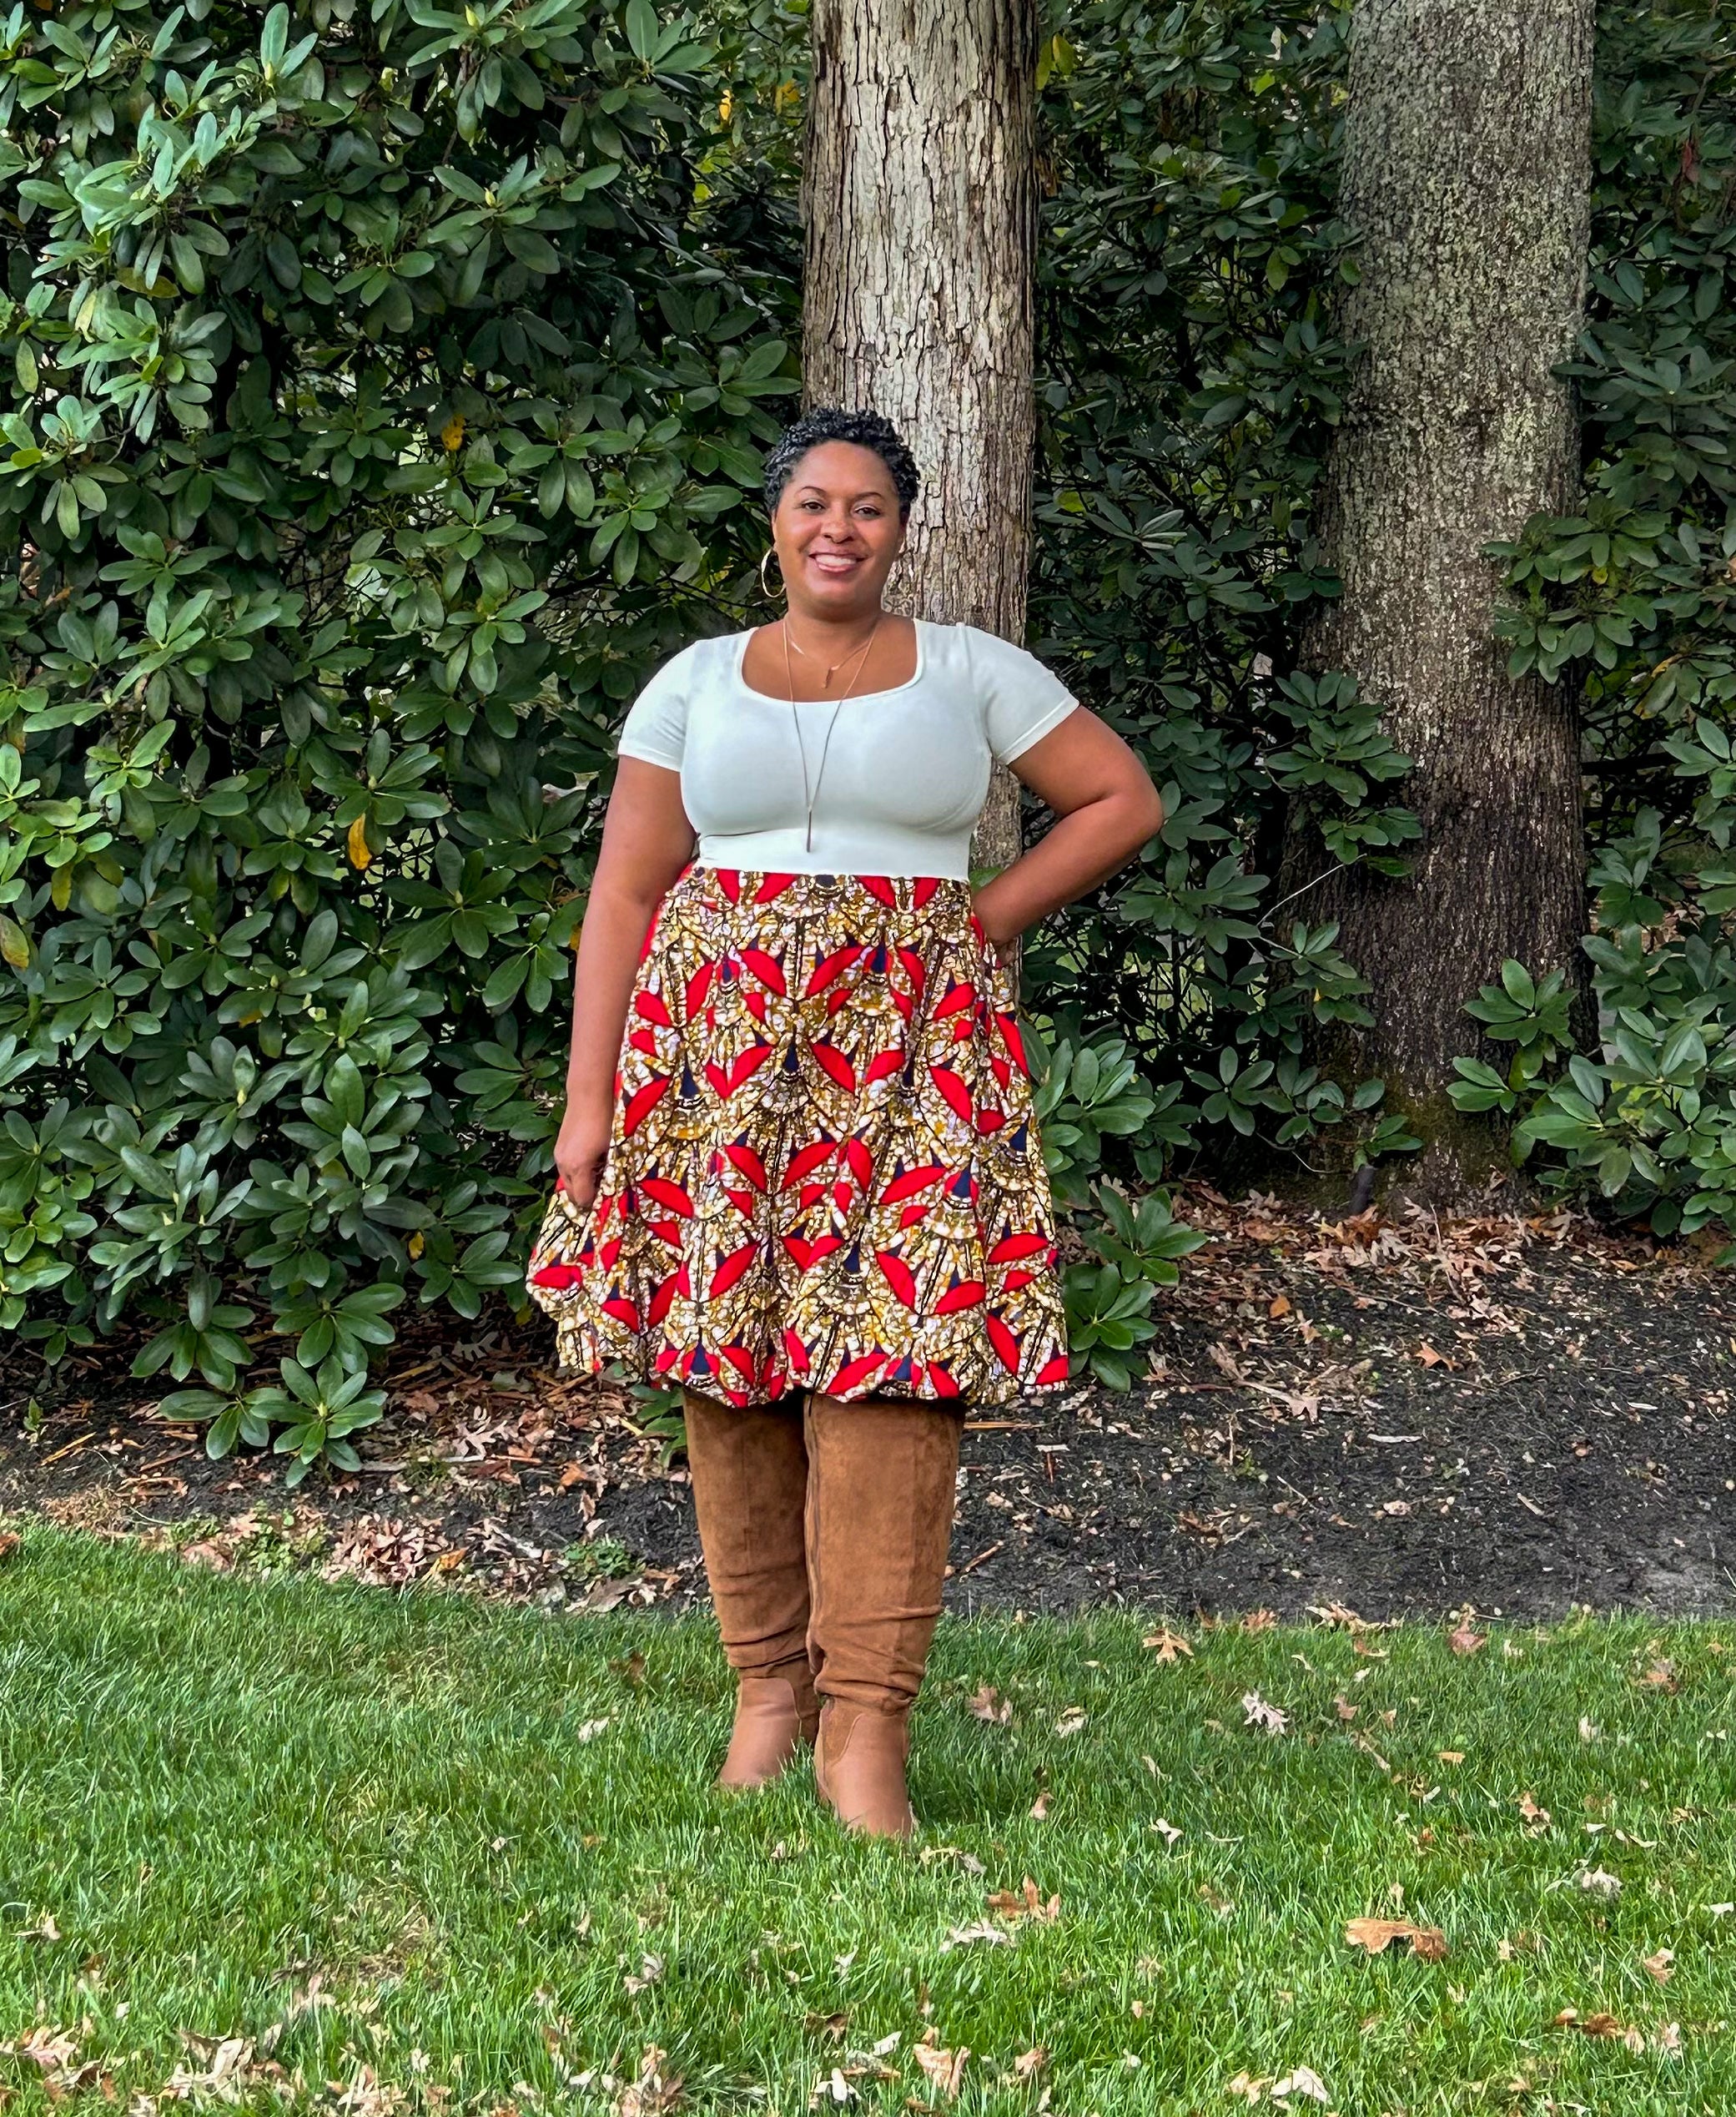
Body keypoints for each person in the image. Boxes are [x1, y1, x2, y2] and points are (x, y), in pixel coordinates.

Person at [527, 406, 1162, 1838]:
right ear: (773, 520)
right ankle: (768, 1697)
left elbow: (1119, 799)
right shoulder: (692, 682)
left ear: (900, 528)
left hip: (916, 1059)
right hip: (714, 1066)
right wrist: (589, 1107)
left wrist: (984, 917)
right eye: (812, 502)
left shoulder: (969, 672)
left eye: (866, 508)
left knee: (901, 1351)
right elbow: (624, 895)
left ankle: (864, 1728)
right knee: (725, 1356)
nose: (837, 528)